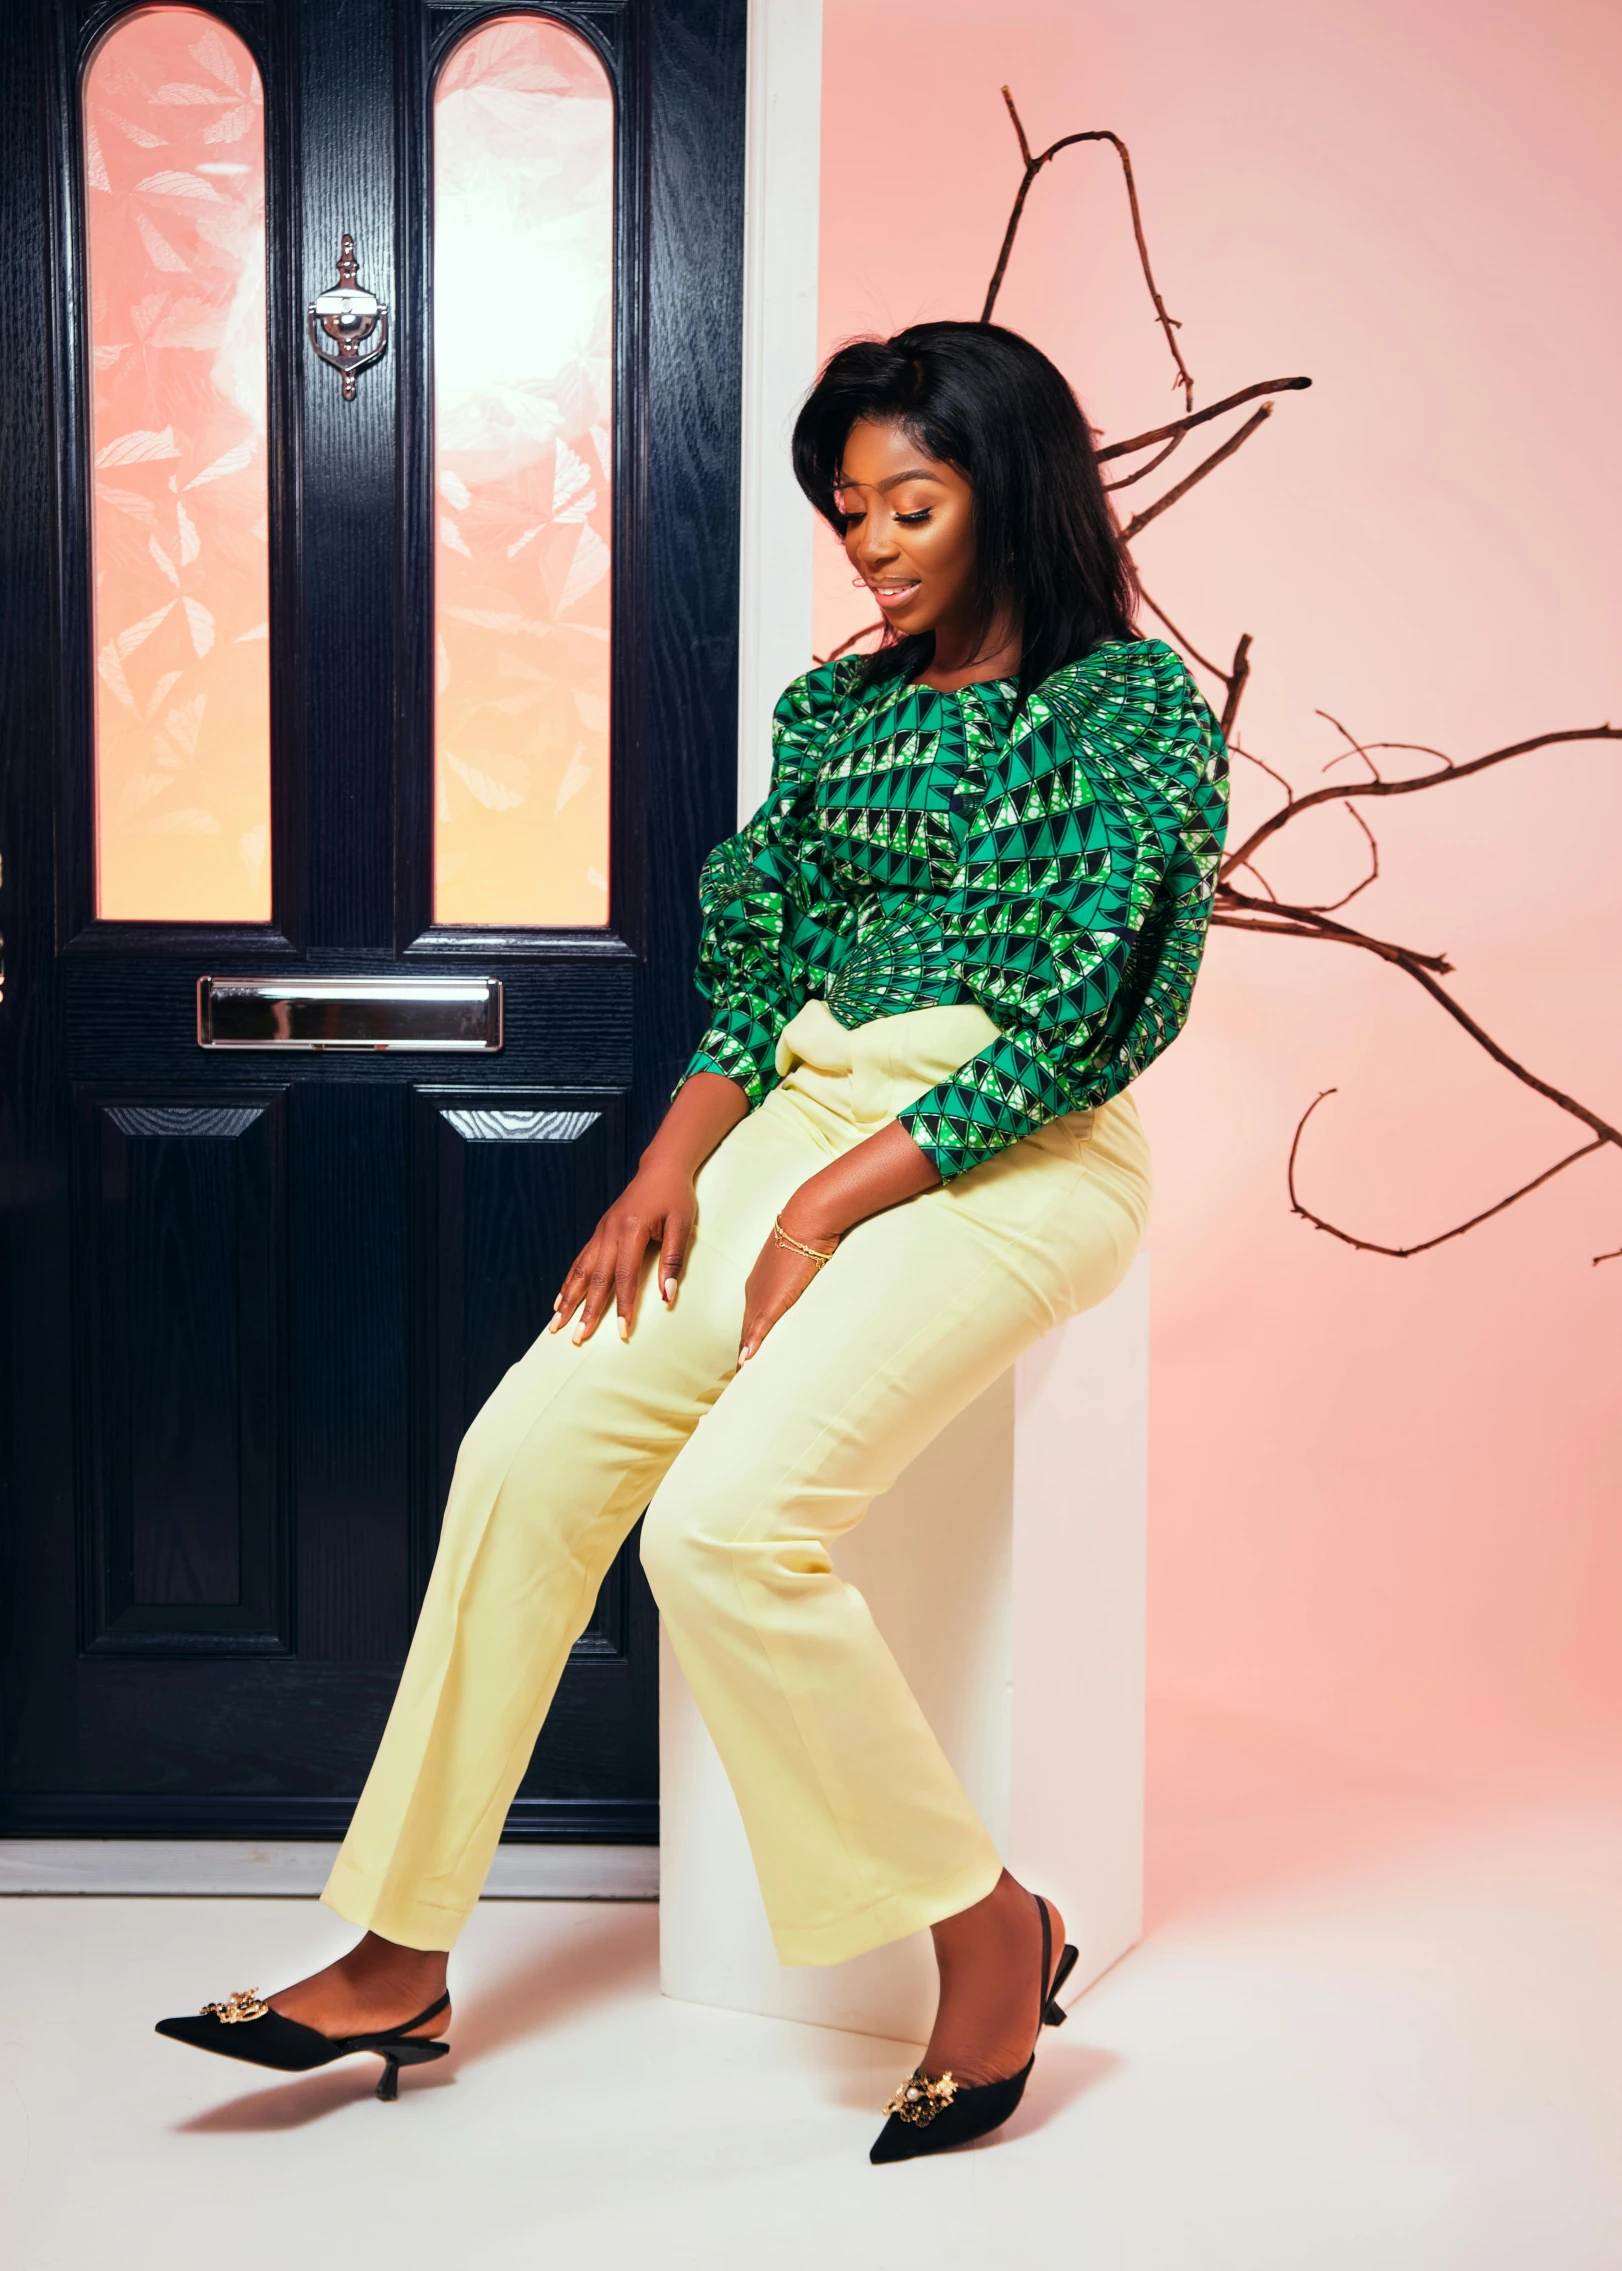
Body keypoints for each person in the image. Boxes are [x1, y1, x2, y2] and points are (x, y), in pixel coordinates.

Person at [157, 320, 1228, 2162]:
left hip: (1018, 1149)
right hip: (805, 1113)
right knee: (523, 1451)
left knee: (725, 1528)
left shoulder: (1130, 716)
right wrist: (675, 1160)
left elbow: (1084, 1018)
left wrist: (824, 1197)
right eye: (850, 511)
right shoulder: (836, 714)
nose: (875, 543)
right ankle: (399, 1948)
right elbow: (759, 972)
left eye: (913, 501)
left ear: (1012, 493)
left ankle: (987, 1930)